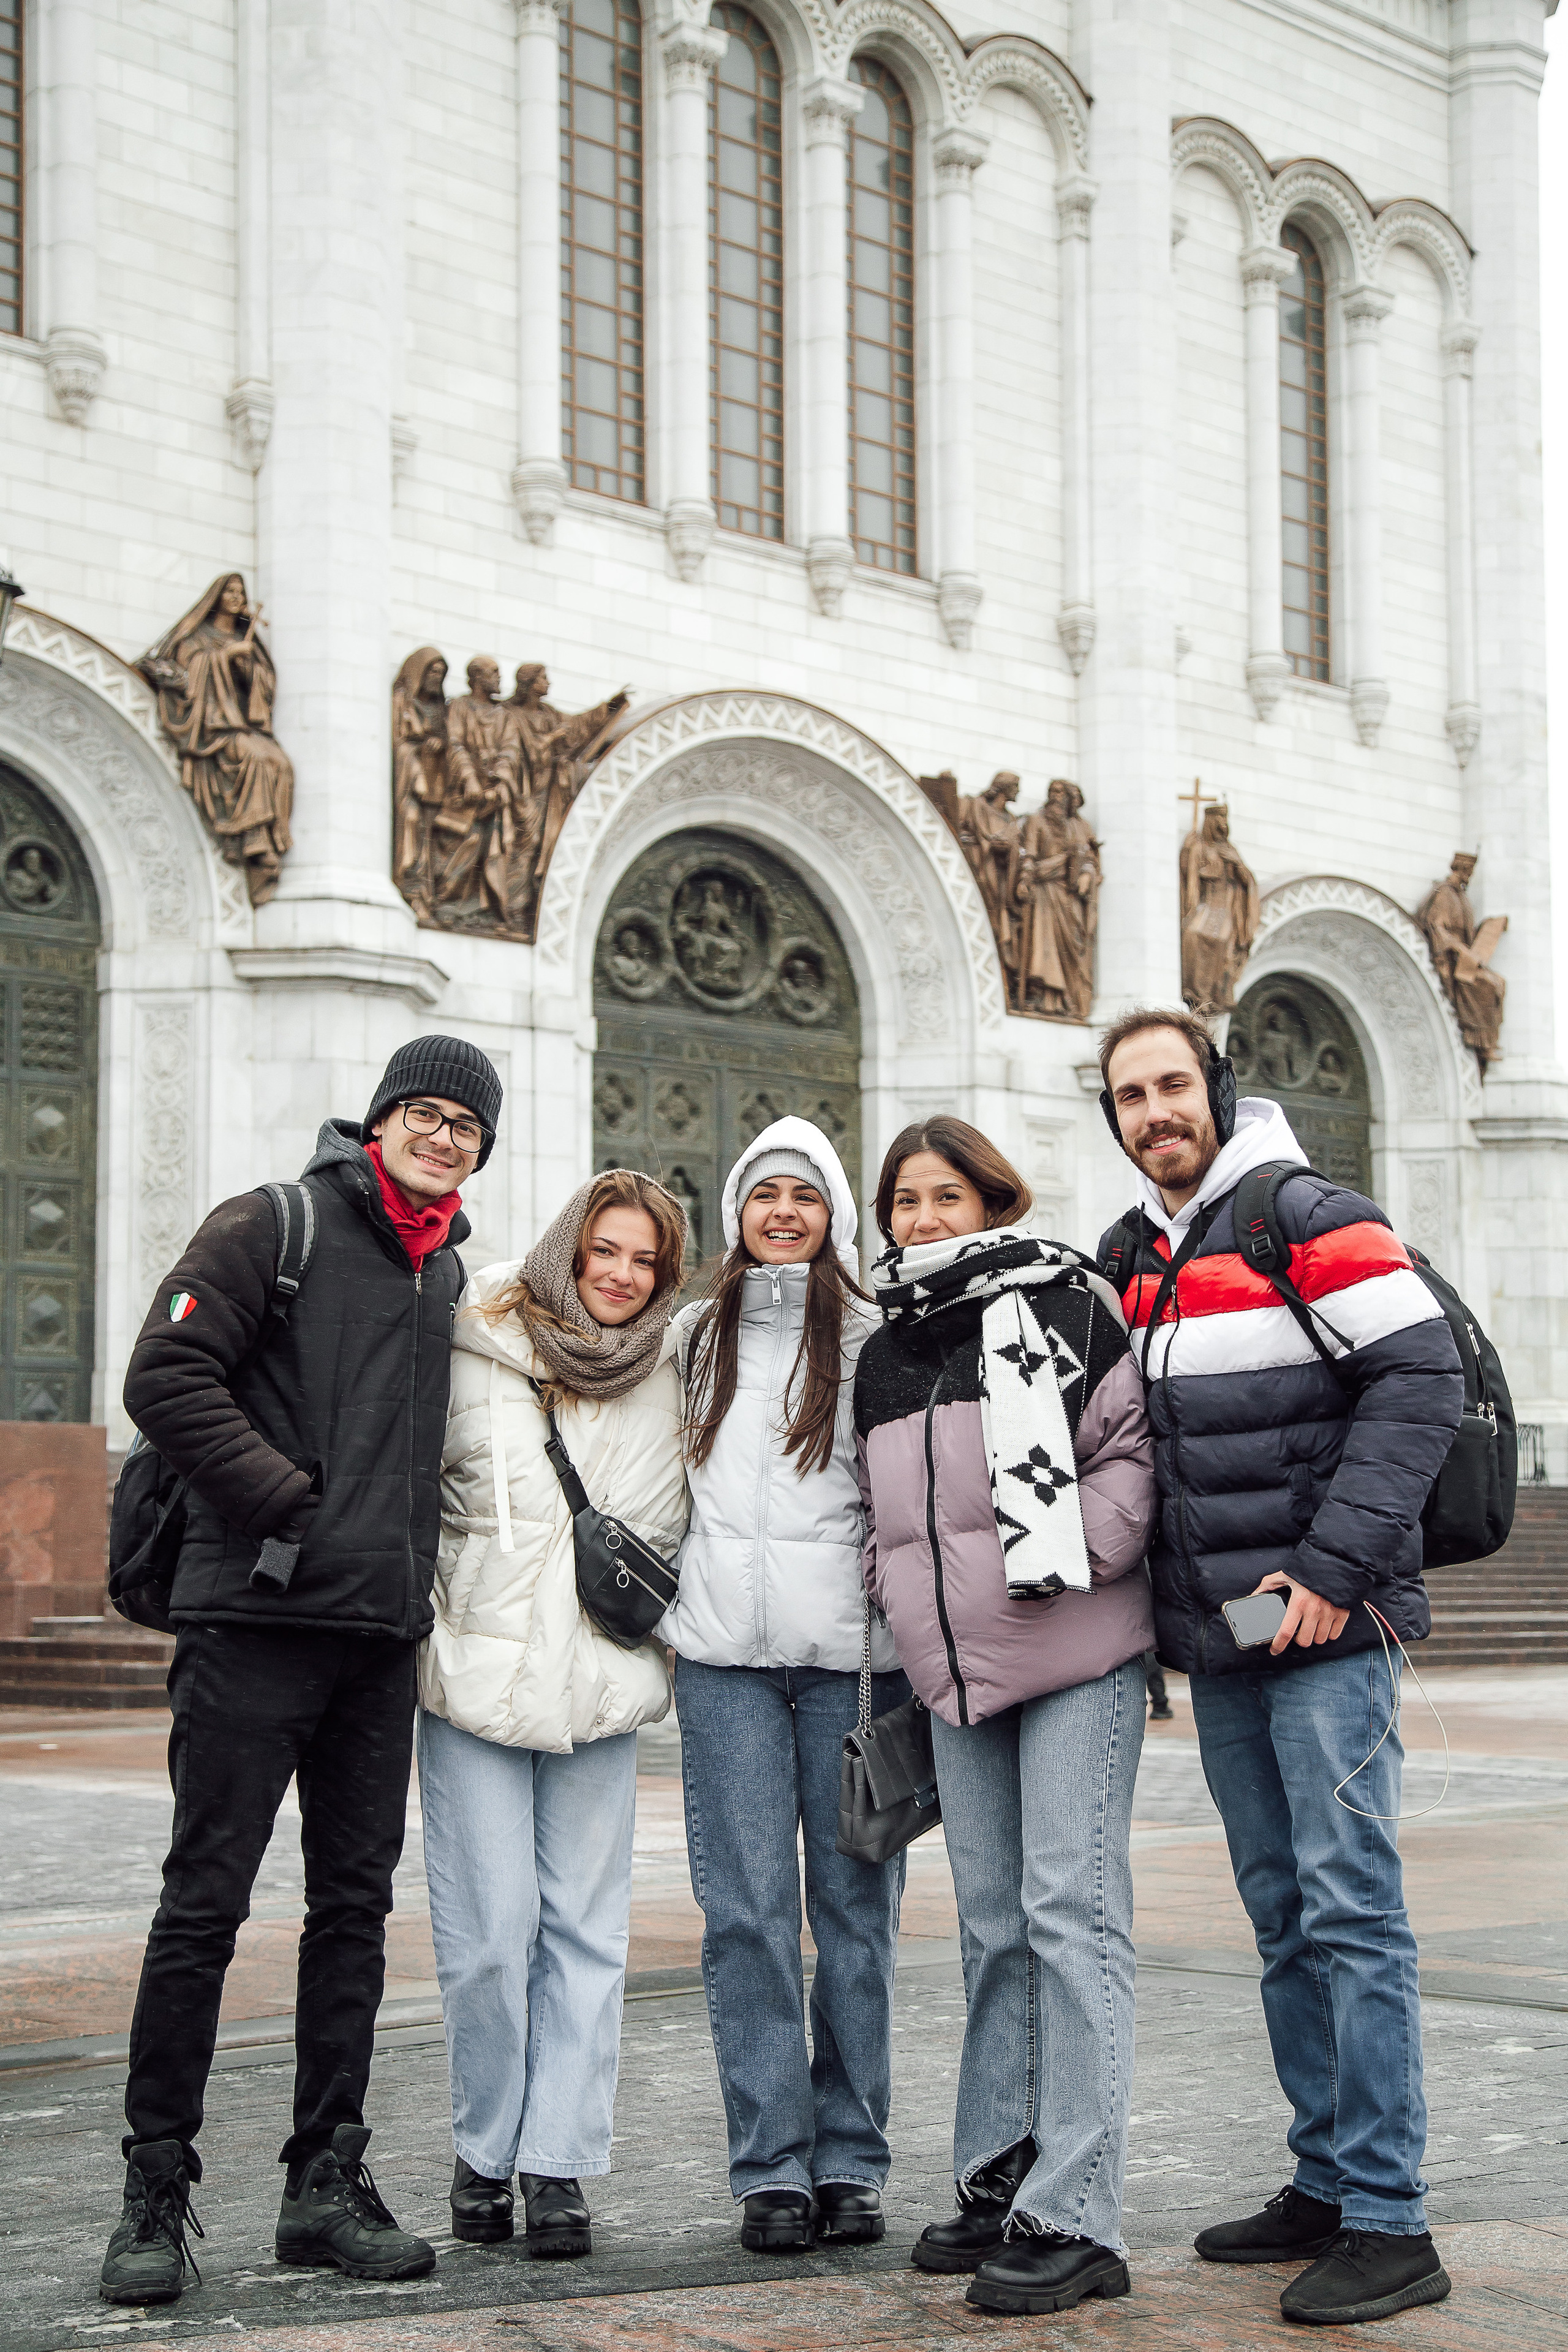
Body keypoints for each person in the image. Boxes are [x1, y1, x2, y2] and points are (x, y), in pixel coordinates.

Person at [100, 1036, 503, 2307]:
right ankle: (154, 2191)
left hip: (376, 1643)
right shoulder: (271, 1222)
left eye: (465, 1125)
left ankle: (321, 2183)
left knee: (352, 1917)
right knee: (203, 1909)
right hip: (252, 1625)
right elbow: (164, 1375)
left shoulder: (446, 1271)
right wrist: (283, 1502)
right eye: (424, 1115)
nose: (442, 1137)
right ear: (379, 1121)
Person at [1096, 1006, 1463, 2328]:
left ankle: (1387, 2217)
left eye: (1170, 1085)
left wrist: (1326, 1572)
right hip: (1226, 1640)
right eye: (1129, 1096)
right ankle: (1322, 2178)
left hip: (1325, 1626)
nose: (1153, 1112)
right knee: (1281, 1912)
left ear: (1215, 1089)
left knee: (1351, 1909)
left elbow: (1417, 1380)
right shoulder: (1134, 1254)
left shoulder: (1302, 1213)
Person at [853, 1117, 1157, 2318]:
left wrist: (1061, 1557)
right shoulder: (887, 1349)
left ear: (990, 1202)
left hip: (1074, 1652)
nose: (922, 1220)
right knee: (990, 1924)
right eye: (905, 1202)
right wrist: (907, 1619)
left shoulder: (1064, 1303)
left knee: (1066, 1915)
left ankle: (1076, 2213)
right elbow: (882, 1523)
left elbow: (1126, 1453)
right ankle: (997, 2175)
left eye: (944, 1197)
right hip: (959, 1678)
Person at [417, 1169, 690, 2259]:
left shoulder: (671, 1369)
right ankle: (486, 2145)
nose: (622, 1277)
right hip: (473, 1681)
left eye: (646, 1261)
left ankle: (559, 2162)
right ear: (565, 1250)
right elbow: (417, 1496)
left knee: (586, 1933)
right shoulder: (471, 1340)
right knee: (486, 1936)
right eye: (603, 1252)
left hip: (602, 1689)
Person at [659, 1117, 906, 2256]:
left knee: (855, 1917)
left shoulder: (872, 1337)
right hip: (722, 1664)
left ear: (836, 1216)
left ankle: (851, 2155)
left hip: (852, 1666)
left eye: (808, 1194)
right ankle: (771, 2167)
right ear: (737, 1213)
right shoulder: (692, 1338)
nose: (786, 1211)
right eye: (766, 1193)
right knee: (747, 1916)